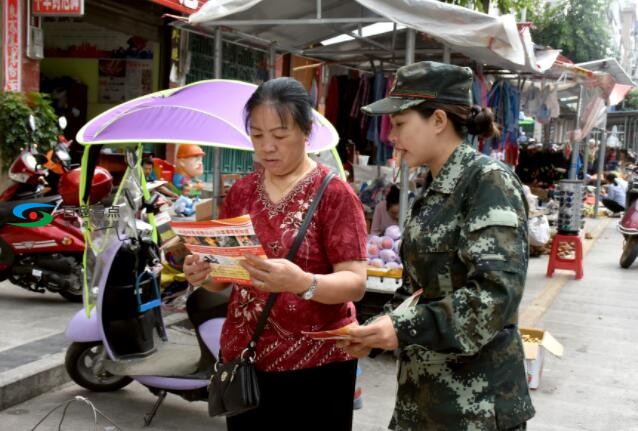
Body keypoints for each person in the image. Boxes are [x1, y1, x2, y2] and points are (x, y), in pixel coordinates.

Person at [341, 61, 535, 430]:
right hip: (424, 398)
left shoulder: (487, 183)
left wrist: (403, 328)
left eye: (399, 124)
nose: (391, 137)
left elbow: (495, 295)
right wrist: (376, 328)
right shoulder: (432, 188)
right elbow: (419, 290)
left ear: (438, 120)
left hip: (475, 406)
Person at [183, 77, 368, 431]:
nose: (267, 147)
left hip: (317, 365)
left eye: (280, 135)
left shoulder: (335, 195)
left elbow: (355, 283)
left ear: (306, 132)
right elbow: (224, 280)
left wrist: (302, 282)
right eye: (257, 135)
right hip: (246, 360)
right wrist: (205, 275)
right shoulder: (241, 192)